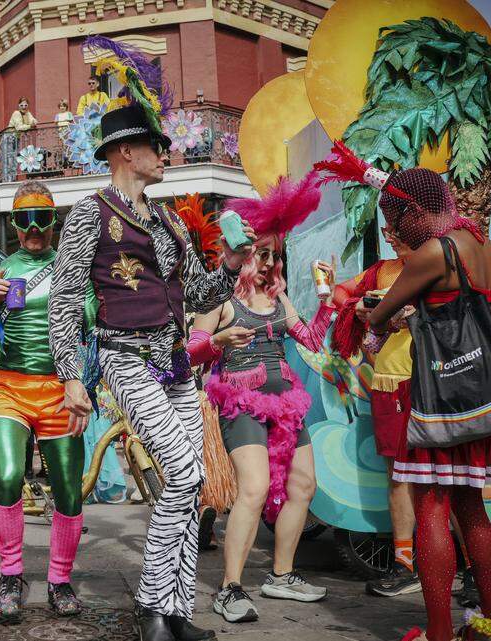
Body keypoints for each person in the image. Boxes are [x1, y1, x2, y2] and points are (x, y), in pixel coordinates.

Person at [50, 36, 252, 641]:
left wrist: (233, 268)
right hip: (125, 360)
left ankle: (176, 613)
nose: (165, 154)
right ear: (127, 151)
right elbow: (65, 299)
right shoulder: (90, 213)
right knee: (186, 473)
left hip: (176, 367)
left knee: (186, 492)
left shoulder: (167, 222)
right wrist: (69, 375)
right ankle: (150, 607)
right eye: (156, 147)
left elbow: (196, 294)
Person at [319, 146, 491, 641]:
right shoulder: (489, 252)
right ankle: (489, 626)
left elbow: (381, 314)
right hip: (483, 397)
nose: (396, 228)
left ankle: (438, 633)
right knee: (472, 507)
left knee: (432, 505)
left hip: (437, 399)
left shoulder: (436, 252)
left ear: (414, 212)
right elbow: (487, 324)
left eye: (396, 217)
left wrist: (376, 316)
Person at [189, 174, 334, 624]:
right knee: (251, 490)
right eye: (263, 253)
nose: (271, 262)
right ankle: (229, 588)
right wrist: (219, 341)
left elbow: (308, 337)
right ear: (247, 253)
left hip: (286, 401)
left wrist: (327, 300)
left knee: (303, 487)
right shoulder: (224, 298)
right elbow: (190, 347)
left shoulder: (280, 297)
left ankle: (282, 576)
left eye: (275, 254)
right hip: (241, 402)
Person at [0, 180, 98, 623]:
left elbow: (93, 328)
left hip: (61, 390)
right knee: (8, 475)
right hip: (10, 389)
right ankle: (10, 577)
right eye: (25, 219)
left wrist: (87, 386)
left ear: (54, 220)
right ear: (15, 224)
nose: (34, 227)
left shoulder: (72, 267)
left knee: (68, 491)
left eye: (42, 217)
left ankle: (60, 581)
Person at [332, 229, 423, 598]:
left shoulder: (434, 262)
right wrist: (360, 308)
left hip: (432, 381)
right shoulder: (382, 271)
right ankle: (405, 565)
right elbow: (340, 292)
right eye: (387, 227)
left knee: (446, 474)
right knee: (399, 475)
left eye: (398, 225)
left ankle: (467, 570)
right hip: (388, 383)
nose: (392, 234)